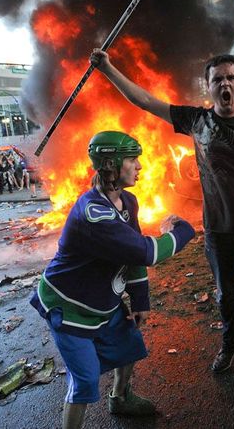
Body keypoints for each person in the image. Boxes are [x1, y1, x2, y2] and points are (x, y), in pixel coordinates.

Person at [90, 50, 234, 388]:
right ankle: (230, 345)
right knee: (225, 296)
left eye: (230, 77)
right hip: (218, 231)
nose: (225, 84)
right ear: (209, 87)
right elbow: (144, 101)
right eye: (217, 79)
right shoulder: (196, 121)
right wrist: (107, 68)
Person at [30, 131, 195, 429]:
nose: (140, 166)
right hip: (70, 309)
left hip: (102, 302)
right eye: (132, 160)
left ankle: (119, 398)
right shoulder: (94, 215)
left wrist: (140, 300)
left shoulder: (127, 202)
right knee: (85, 382)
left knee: (128, 345)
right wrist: (183, 230)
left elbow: (130, 256)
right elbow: (144, 251)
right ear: (111, 164)